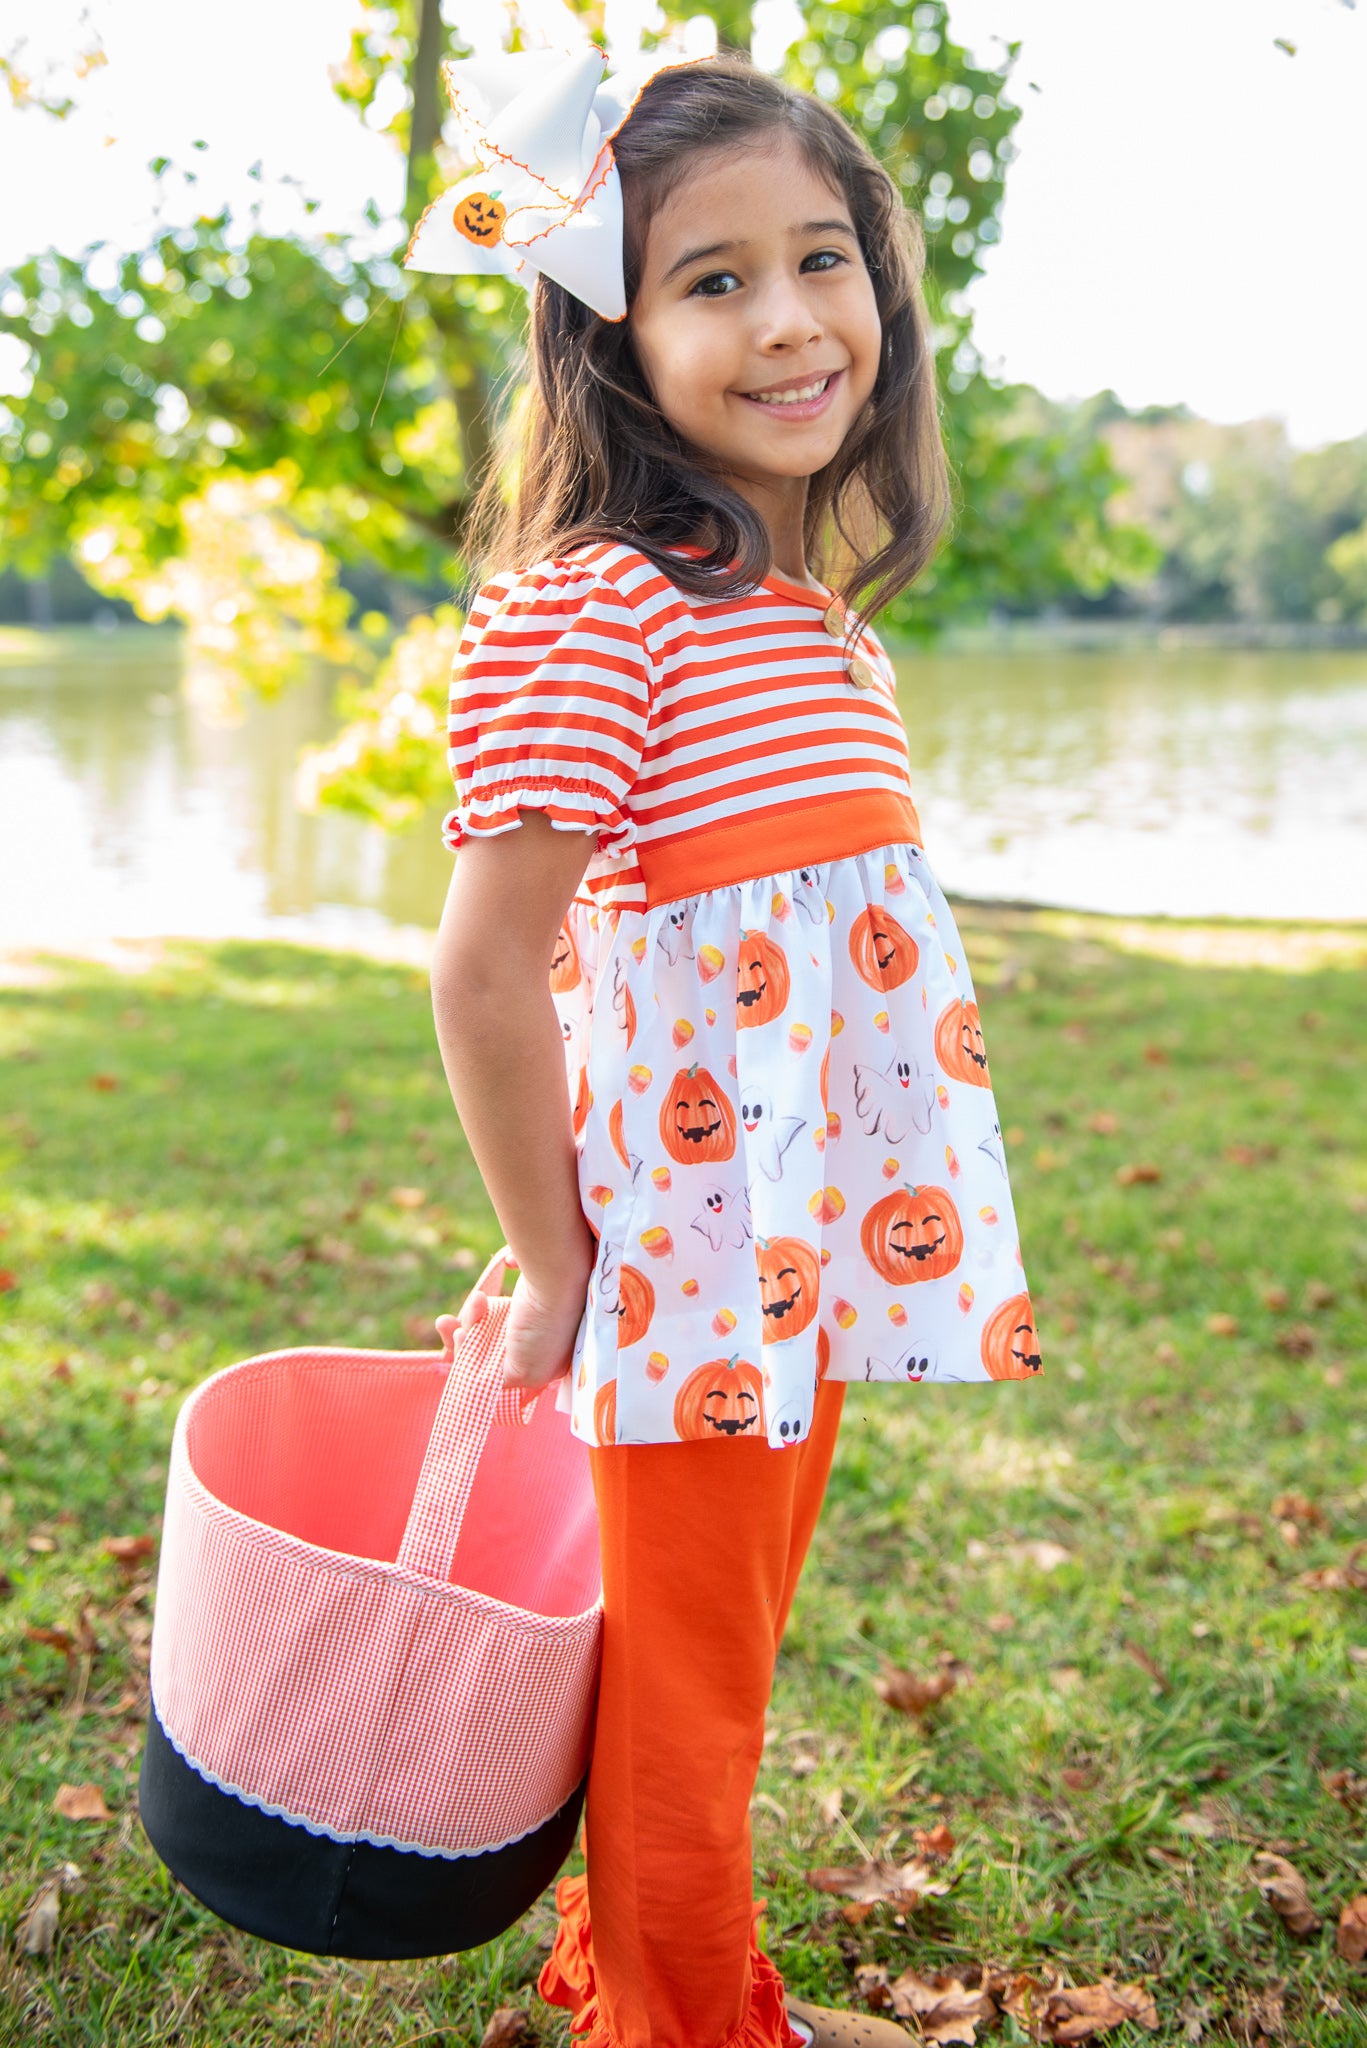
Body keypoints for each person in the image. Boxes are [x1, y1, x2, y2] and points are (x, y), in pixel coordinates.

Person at [420, 47, 1043, 2048]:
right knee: (686, 1695)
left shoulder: (813, 625)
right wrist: (561, 1263)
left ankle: (658, 1979)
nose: (787, 321)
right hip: (679, 1271)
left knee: (724, 1656)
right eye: (712, 281)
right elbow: (491, 967)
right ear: (616, 331)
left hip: (797, 1250)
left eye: (822, 259)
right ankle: (686, 2028)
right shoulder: (605, 610)